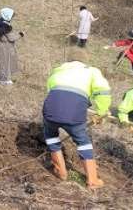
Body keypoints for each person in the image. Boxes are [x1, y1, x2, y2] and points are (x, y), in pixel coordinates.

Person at [42, 57, 111, 189]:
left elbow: (51, 92)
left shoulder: (58, 70)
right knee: (83, 141)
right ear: (83, 61)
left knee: (51, 136)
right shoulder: (92, 71)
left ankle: (60, 172)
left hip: (50, 109)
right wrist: (101, 111)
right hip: (74, 112)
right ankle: (92, 181)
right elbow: (103, 91)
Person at [0, 8, 24, 85]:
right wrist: (20, 34)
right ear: (7, 16)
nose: (12, 18)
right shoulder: (5, 26)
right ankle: (4, 79)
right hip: (5, 47)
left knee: (1, 62)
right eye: (11, 16)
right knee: (5, 63)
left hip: (0, 44)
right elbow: (11, 37)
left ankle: (1, 76)